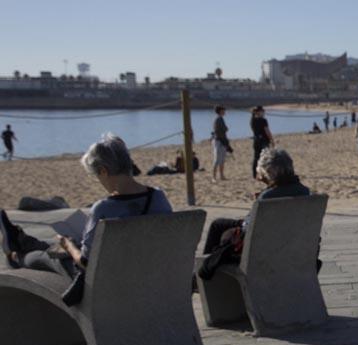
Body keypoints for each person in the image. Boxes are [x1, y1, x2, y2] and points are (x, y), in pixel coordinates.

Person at [0, 134, 172, 304]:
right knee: (55, 244)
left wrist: (68, 246)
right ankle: (21, 240)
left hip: (107, 282)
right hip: (146, 273)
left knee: (45, 255)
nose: (99, 181)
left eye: (97, 175)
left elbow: (85, 263)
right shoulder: (158, 197)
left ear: (104, 171)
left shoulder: (104, 208)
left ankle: (16, 257)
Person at [197, 147, 312, 280]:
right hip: (292, 247)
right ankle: (199, 278)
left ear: (268, 172)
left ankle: (201, 278)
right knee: (219, 224)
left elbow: (249, 229)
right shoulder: (305, 192)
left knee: (219, 228)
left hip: (263, 251)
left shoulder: (267, 198)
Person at [250, 106, 273, 179]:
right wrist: (272, 140)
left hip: (256, 141)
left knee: (256, 158)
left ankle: (255, 174)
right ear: (258, 112)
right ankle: (264, 174)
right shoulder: (263, 120)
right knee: (265, 157)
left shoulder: (252, 120)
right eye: (262, 111)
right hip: (263, 141)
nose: (264, 112)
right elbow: (267, 131)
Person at [211, 106, 232, 181]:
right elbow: (218, 131)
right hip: (218, 141)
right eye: (223, 110)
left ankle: (222, 175)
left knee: (222, 159)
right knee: (217, 159)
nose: (224, 112)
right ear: (220, 111)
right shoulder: (217, 119)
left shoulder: (221, 119)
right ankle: (213, 177)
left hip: (222, 141)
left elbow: (225, 129)